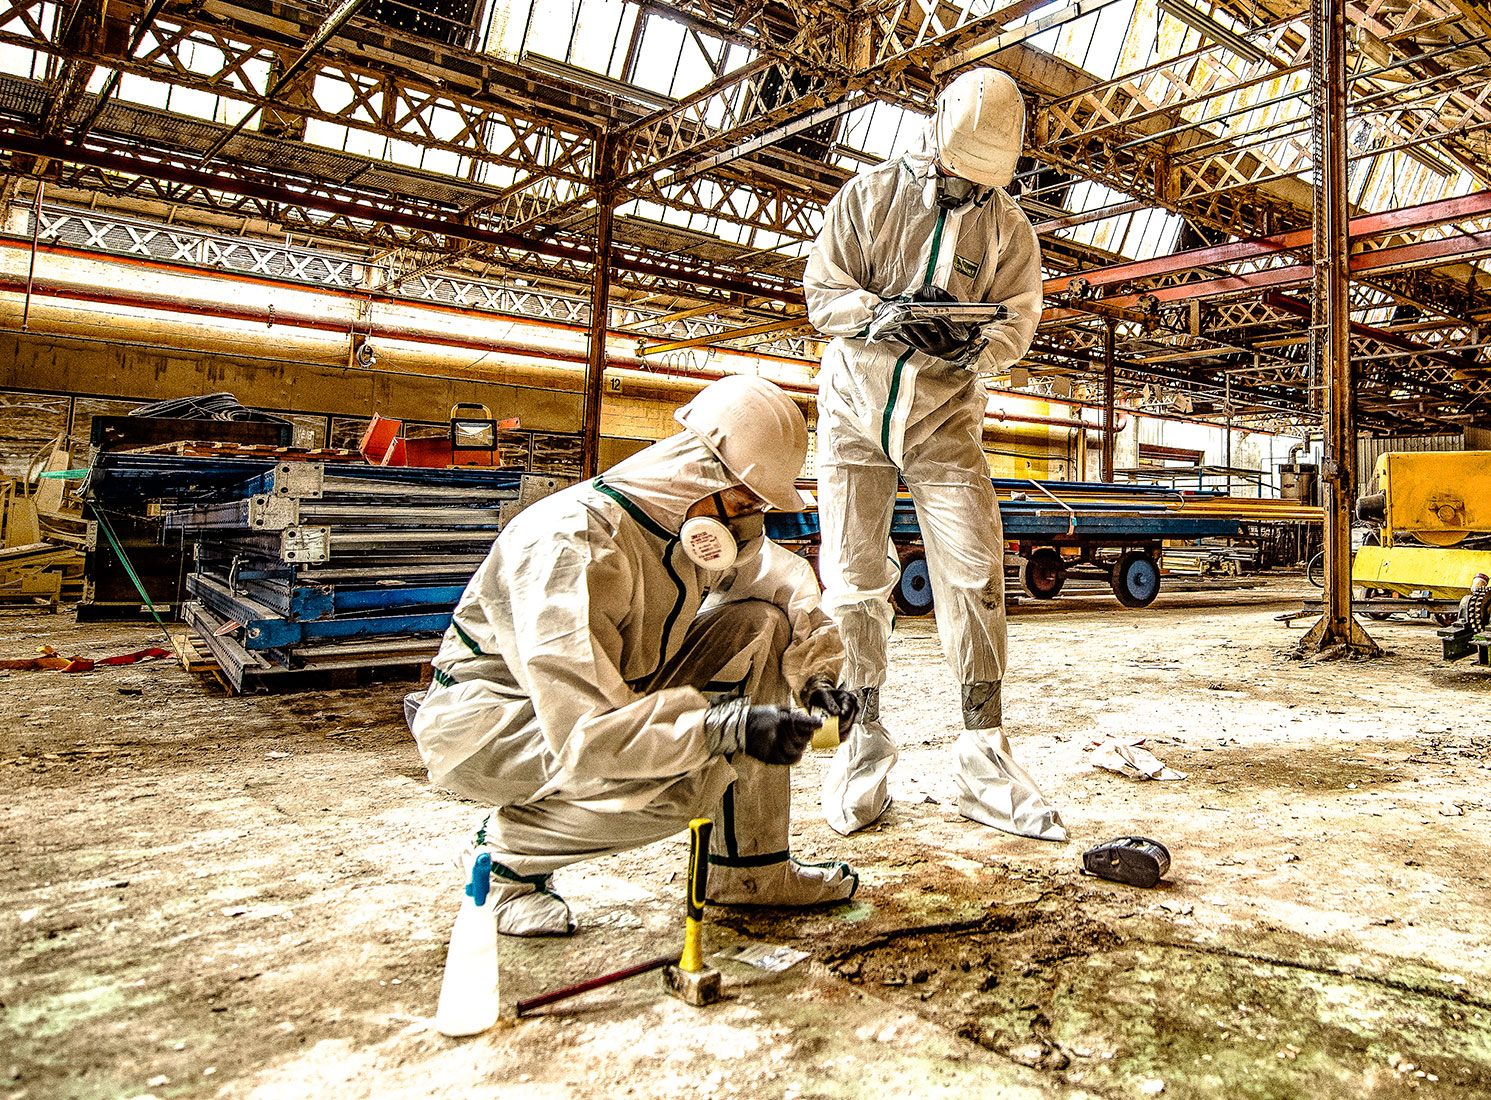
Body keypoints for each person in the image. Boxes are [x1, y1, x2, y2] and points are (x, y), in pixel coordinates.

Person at [407, 375, 862, 936]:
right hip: (503, 723)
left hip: (613, 694)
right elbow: (586, 728)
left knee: (762, 624)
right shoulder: (570, 544)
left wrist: (817, 678)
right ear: (698, 473)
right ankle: (504, 863)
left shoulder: (689, 525)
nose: (748, 520)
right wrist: (725, 726)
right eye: (745, 500)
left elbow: (783, 585)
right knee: (680, 784)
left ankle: (748, 870)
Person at [803, 67, 1064, 841]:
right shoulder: (868, 198)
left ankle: (984, 752)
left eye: (982, 181)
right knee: (852, 582)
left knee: (976, 570)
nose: (966, 188)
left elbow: (1018, 322)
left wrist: (975, 344)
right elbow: (823, 293)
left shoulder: (1009, 230)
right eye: (957, 172)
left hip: (945, 419)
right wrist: (883, 315)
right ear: (936, 136)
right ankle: (861, 743)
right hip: (854, 413)